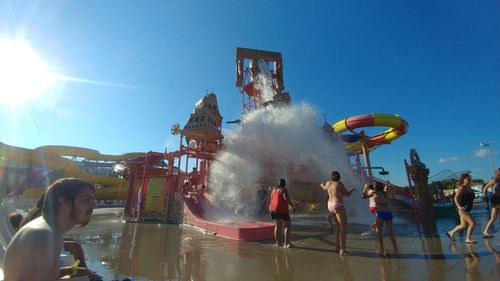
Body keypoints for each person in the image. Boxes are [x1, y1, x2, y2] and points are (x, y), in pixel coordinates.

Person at [4, 178, 101, 281]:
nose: (94, 205)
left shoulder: (43, 227)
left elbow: (43, 274)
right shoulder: (46, 237)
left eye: (93, 200)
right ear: (64, 202)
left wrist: (74, 270)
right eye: (87, 199)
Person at [320, 171, 356, 255]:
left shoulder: (328, 183)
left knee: (337, 227)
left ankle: (337, 247)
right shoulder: (339, 184)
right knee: (343, 228)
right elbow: (347, 194)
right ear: (339, 177)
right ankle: (342, 250)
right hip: (338, 204)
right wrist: (352, 190)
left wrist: (321, 185)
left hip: (329, 205)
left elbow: (324, 188)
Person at [366, 182, 399, 257]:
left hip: (380, 214)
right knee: (390, 232)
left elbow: (365, 196)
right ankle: (396, 250)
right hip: (388, 213)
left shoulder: (374, 193)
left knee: (379, 232)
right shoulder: (385, 193)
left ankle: (381, 249)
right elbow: (389, 196)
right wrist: (386, 190)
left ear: (375, 188)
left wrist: (366, 188)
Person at [447, 173, 477, 244]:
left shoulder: (468, 187)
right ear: (463, 180)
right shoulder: (462, 188)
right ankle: (468, 239)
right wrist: (459, 207)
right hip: (463, 209)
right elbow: (455, 198)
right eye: (467, 179)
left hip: (466, 208)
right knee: (473, 223)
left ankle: (451, 232)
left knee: (463, 225)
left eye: (470, 178)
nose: (469, 180)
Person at [268, 178, 296, 248]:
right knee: (287, 226)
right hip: (281, 209)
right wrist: (293, 206)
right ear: (284, 184)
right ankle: (286, 243)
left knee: (278, 226)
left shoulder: (274, 190)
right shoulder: (283, 190)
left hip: (272, 209)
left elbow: (271, 199)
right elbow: (286, 199)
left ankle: (278, 242)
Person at [482, 168, 500, 238]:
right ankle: (485, 231)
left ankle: (485, 231)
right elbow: (486, 187)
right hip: (495, 199)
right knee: (494, 217)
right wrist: (484, 195)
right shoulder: (495, 180)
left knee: (493, 217)